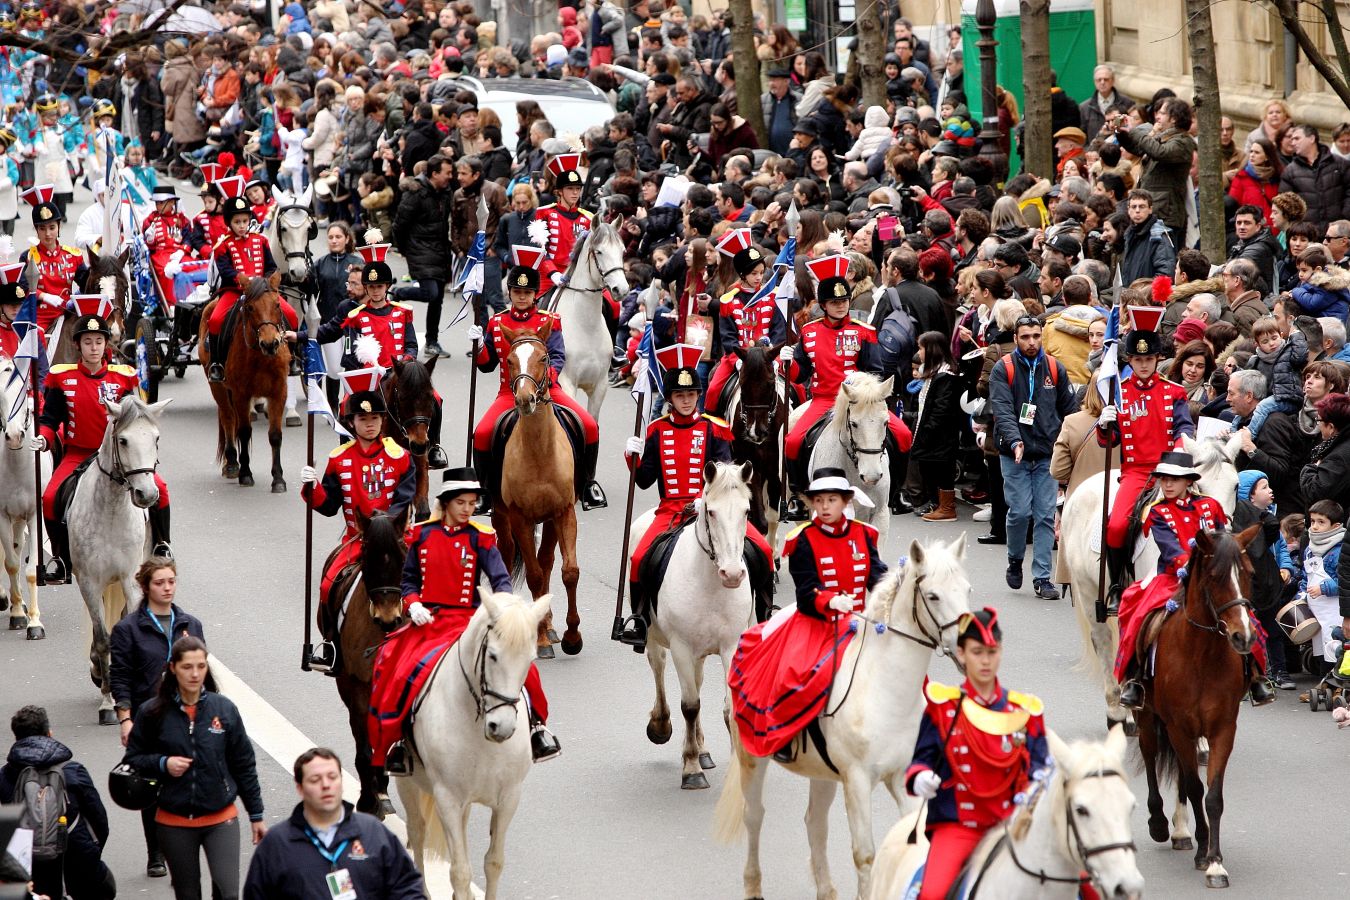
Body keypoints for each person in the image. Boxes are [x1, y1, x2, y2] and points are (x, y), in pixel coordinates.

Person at [369, 468, 559, 774]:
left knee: (524, 666)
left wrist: (505, 609)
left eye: (472, 503)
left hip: (468, 622)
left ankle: (538, 727)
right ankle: (396, 741)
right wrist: (413, 605)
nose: (468, 509)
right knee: (395, 665)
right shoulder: (422, 535)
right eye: (461, 503)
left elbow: (500, 580)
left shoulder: (480, 537)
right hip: (428, 622)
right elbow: (409, 582)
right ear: (446, 503)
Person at [619, 344, 773, 649]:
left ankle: (765, 613)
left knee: (765, 551)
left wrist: (708, 499)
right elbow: (645, 481)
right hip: (671, 511)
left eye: (691, 394)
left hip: (711, 506)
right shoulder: (657, 430)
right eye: (680, 395)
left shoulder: (714, 429)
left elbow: (727, 474)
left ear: (698, 395)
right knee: (638, 559)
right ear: (670, 398)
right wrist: (632, 456)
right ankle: (639, 619)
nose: (687, 400)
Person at [728, 467, 888, 761]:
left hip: (861, 622)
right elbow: (805, 593)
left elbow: (877, 578)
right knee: (796, 676)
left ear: (846, 501)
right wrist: (830, 601)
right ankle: (786, 735)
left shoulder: (864, 535)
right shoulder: (802, 540)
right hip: (818, 622)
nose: (825, 507)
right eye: (819, 501)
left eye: (832, 500)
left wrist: (894, 587)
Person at [905, 609, 1048, 900]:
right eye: (977, 652)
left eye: (992, 652)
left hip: (1013, 827)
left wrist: (1040, 784)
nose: (985, 661)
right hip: (960, 827)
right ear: (961, 654)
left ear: (1001, 651)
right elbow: (920, 761)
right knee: (932, 893)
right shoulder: (943, 708)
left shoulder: (1024, 712)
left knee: (1081, 882)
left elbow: (1041, 767)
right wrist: (920, 777)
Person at [1114, 452, 1273, 708]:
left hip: (1214, 575)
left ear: (1188, 481)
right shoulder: (1157, 511)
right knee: (1139, 614)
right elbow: (1170, 550)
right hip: (1172, 576)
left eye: (1174, 479)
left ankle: (1256, 676)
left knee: (1246, 617)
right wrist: (1190, 567)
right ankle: (1135, 678)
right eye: (1163, 479)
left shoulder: (1211, 506)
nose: (1167, 485)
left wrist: (1219, 566)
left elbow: (1224, 540)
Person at [35, 298, 173, 582]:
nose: (94, 347)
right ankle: (61, 559)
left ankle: (162, 544)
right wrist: (44, 439)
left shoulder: (122, 378)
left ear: (106, 344)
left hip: (118, 456)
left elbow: (135, 420)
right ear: (78, 345)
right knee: (49, 498)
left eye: (99, 341)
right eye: (88, 342)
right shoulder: (62, 377)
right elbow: (50, 420)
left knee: (160, 489)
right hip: (78, 454)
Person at [124, 635, 266, 900]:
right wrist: (163, 763)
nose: (195, 674)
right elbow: (133, 760)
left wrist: (256, 814)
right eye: (187, 667)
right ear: (173, 668)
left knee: (228, 894)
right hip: (173, 821)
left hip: (221, 818)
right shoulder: (152, 712)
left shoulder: (224, 709)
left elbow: (244, 764)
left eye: (201, 666)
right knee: (187, 895)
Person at [469, 244, 605, 512]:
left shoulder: (549, 320)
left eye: (527, 293)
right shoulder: (497, 322)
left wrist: (543, 381)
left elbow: (558, 356)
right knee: (482, 434)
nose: (522, 297)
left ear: (535, 294)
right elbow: (486, 365)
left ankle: (588, 484)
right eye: (517, 292)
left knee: (589, 425)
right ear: (510, 293)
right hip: (509, 393)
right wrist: (479, 346)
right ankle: (485, 491)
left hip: (548, 390)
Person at [299, 369, 416, 672]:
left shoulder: (400, 456)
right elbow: (329, 506)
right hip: (356, 539)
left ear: (383, 421)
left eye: (375, 418)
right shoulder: (339, 459)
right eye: (363, 419)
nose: (370, 424)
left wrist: (385, 529)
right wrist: (312, 487)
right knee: (328, 586)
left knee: (428, 581)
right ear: (351, 422)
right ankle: (331, 646)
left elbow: (404, 500)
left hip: (397, 538)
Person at [784, 254, 912, 518]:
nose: (841, 306)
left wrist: (861, 385)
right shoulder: (809, 332)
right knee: (793, 441)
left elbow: (876, 371)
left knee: (903, 435)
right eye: (835, 302)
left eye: (844, 301)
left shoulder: (864, 330)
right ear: (823, 305)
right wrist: (787, 363)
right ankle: (798, 496)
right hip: (823, 399)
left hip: (859, 400)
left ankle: (897, 492)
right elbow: (799, 375)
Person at [109, 558, 206, 878]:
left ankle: (184, 845)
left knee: (187, 781)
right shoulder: (127, 629)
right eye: (160, 583)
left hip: (187, 715)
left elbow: (203, 672)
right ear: (145, 586)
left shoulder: (190, 624)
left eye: (171, 581)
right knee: (151, 786)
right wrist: (125, 718)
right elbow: (120, 676)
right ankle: (156, 853)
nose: (167, 588)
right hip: (148, 718)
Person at [242, 748, 424, 900]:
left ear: (341, 782)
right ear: (300, 788)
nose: (326, 785)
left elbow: (407, 888)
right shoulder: (276, 844)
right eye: (315, 779)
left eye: (332, 777)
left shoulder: (374, 832)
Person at [1098, 322, 1195, 606]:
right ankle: (1117, 584)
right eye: (1138, 359)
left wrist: (1180, 449)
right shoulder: (1119, 392)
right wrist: (1105, 425)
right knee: (1116, 526)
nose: (1143, 365)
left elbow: (1183, 427)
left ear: (1157, 359)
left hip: (1170, 470)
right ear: (1129, 360)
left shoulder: (1174, 391)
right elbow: (1110, 441)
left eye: (1149, 359)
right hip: (1137, 472)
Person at [989, 315, 1077, 600]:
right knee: (1019, 512)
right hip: (1014, 454)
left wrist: (1073, 445)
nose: (1031, 342)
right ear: (1016, 338)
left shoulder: (1055, 368)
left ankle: (1042, 578)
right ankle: (1015, 560)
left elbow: (1070, 411)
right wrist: (1015, 441)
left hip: (1046, 455)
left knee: (1045, 516)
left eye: (1036, 336)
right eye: (1025, 337)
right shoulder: (1004, 368)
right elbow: (1002, 410)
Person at [0, 705, 115, 900]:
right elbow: (99, 820)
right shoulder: (73, 771)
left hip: (29, 867)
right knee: (103, 888)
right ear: (49, 733)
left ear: (17, 738)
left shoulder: (4, 776)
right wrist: (92, 854)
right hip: (78, 857)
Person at [205, 176, 298, 383]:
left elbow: (271, 266)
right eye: (237, 222)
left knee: (291, 315)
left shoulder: (261, 240)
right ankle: (217, 363)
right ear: (229, 223)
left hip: (262, 291)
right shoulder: (223, 245)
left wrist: (267, 280)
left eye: (245, 221)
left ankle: (293, 358)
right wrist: (243, 281)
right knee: (216, 320)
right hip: (235, 291)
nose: (242, 226)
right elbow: (225, 270)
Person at [703, 229, 786, 410]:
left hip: (770, 356)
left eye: (761, 272)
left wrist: (773, 355)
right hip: (738, 357)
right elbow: (728, 338)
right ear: (742, 274)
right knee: (713, 392)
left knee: (798, 389)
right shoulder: (728, 300)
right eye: (754, 273)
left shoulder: (773, 297)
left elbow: (779, 331)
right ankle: (713, 425)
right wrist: (740, 360)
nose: (759, 277)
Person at [1231, 471, 1293, 691]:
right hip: (1250, 584)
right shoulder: (1237, 523)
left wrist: (1286, 566)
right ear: (1249, 494)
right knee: (1249, 631)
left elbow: (1280, 547)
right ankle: (1253, 673)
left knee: (1273, 630)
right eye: (1264, 487)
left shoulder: (1270, 517)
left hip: (1270, 581)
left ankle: (1280, 670)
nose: (1270, 491)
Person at [393, 153, 455, 358]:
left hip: (440, 250)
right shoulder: (415, 193)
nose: (451, 176)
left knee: (437, 299)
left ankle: (432, 341)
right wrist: (405, 249)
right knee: (431, 293)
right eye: (447, 173)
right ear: (434, 173)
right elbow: (399, 225)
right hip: (419, 249)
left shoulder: (445, 192)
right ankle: (398, 292)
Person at [909, 331, 963, 522]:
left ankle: (946, 507)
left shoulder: (946, 375)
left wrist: (928, 431)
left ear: (932, 349)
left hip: (941, 435)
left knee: (941, 469)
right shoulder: (934, 372)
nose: (919, 352)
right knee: (929, 466)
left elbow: (941, 409)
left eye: (921, 348)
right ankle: (937, 503)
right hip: (933, 432)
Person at [20, 183, 86, 334]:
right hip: (40, 318)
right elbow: (23, 288)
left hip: (68, 314)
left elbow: (87, 283)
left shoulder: (73, 256)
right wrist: (44, 296)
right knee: (35, 340)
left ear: (59, 227)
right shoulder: (28, 257)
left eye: (52, 227)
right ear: (36, 230)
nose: (48, 234)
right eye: (42, 229)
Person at [534, 152, 594, 291]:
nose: (575, 193)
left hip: (579, 275)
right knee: (538, 304)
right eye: (570, 188)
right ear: (559, 191)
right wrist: (553, 273)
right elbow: (540, 249)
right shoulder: (544, 213)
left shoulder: (588, 218)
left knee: (612, 302)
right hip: (549, 277)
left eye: (578, 188)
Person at [1302, 499, 1347, 668]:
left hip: (1335, 613)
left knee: (1336, 651)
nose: (1314, 526)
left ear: (1336, 526)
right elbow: (1305, 577)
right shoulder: (1309, 549)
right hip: (1317, 613)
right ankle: (1323, 680)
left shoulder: (1339, 551)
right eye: (1312, 521)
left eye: (1321, 522)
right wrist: (1301, 595)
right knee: (1321, 652)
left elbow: (1344, 581)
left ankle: (1337, 680)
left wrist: (1324, 588)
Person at [144, 186, 197, 308]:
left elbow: (189, 238)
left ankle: (194, 303)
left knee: (193, 268)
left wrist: (182, 251)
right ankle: (171, 306)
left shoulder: (182, 219)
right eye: (157, 203)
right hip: (161, 255)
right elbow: (148, 247)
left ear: (172, 202)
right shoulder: (151, 220)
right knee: (167, 271)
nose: (158, 206)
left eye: (162, 203)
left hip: (180, 254)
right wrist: (150, 239)